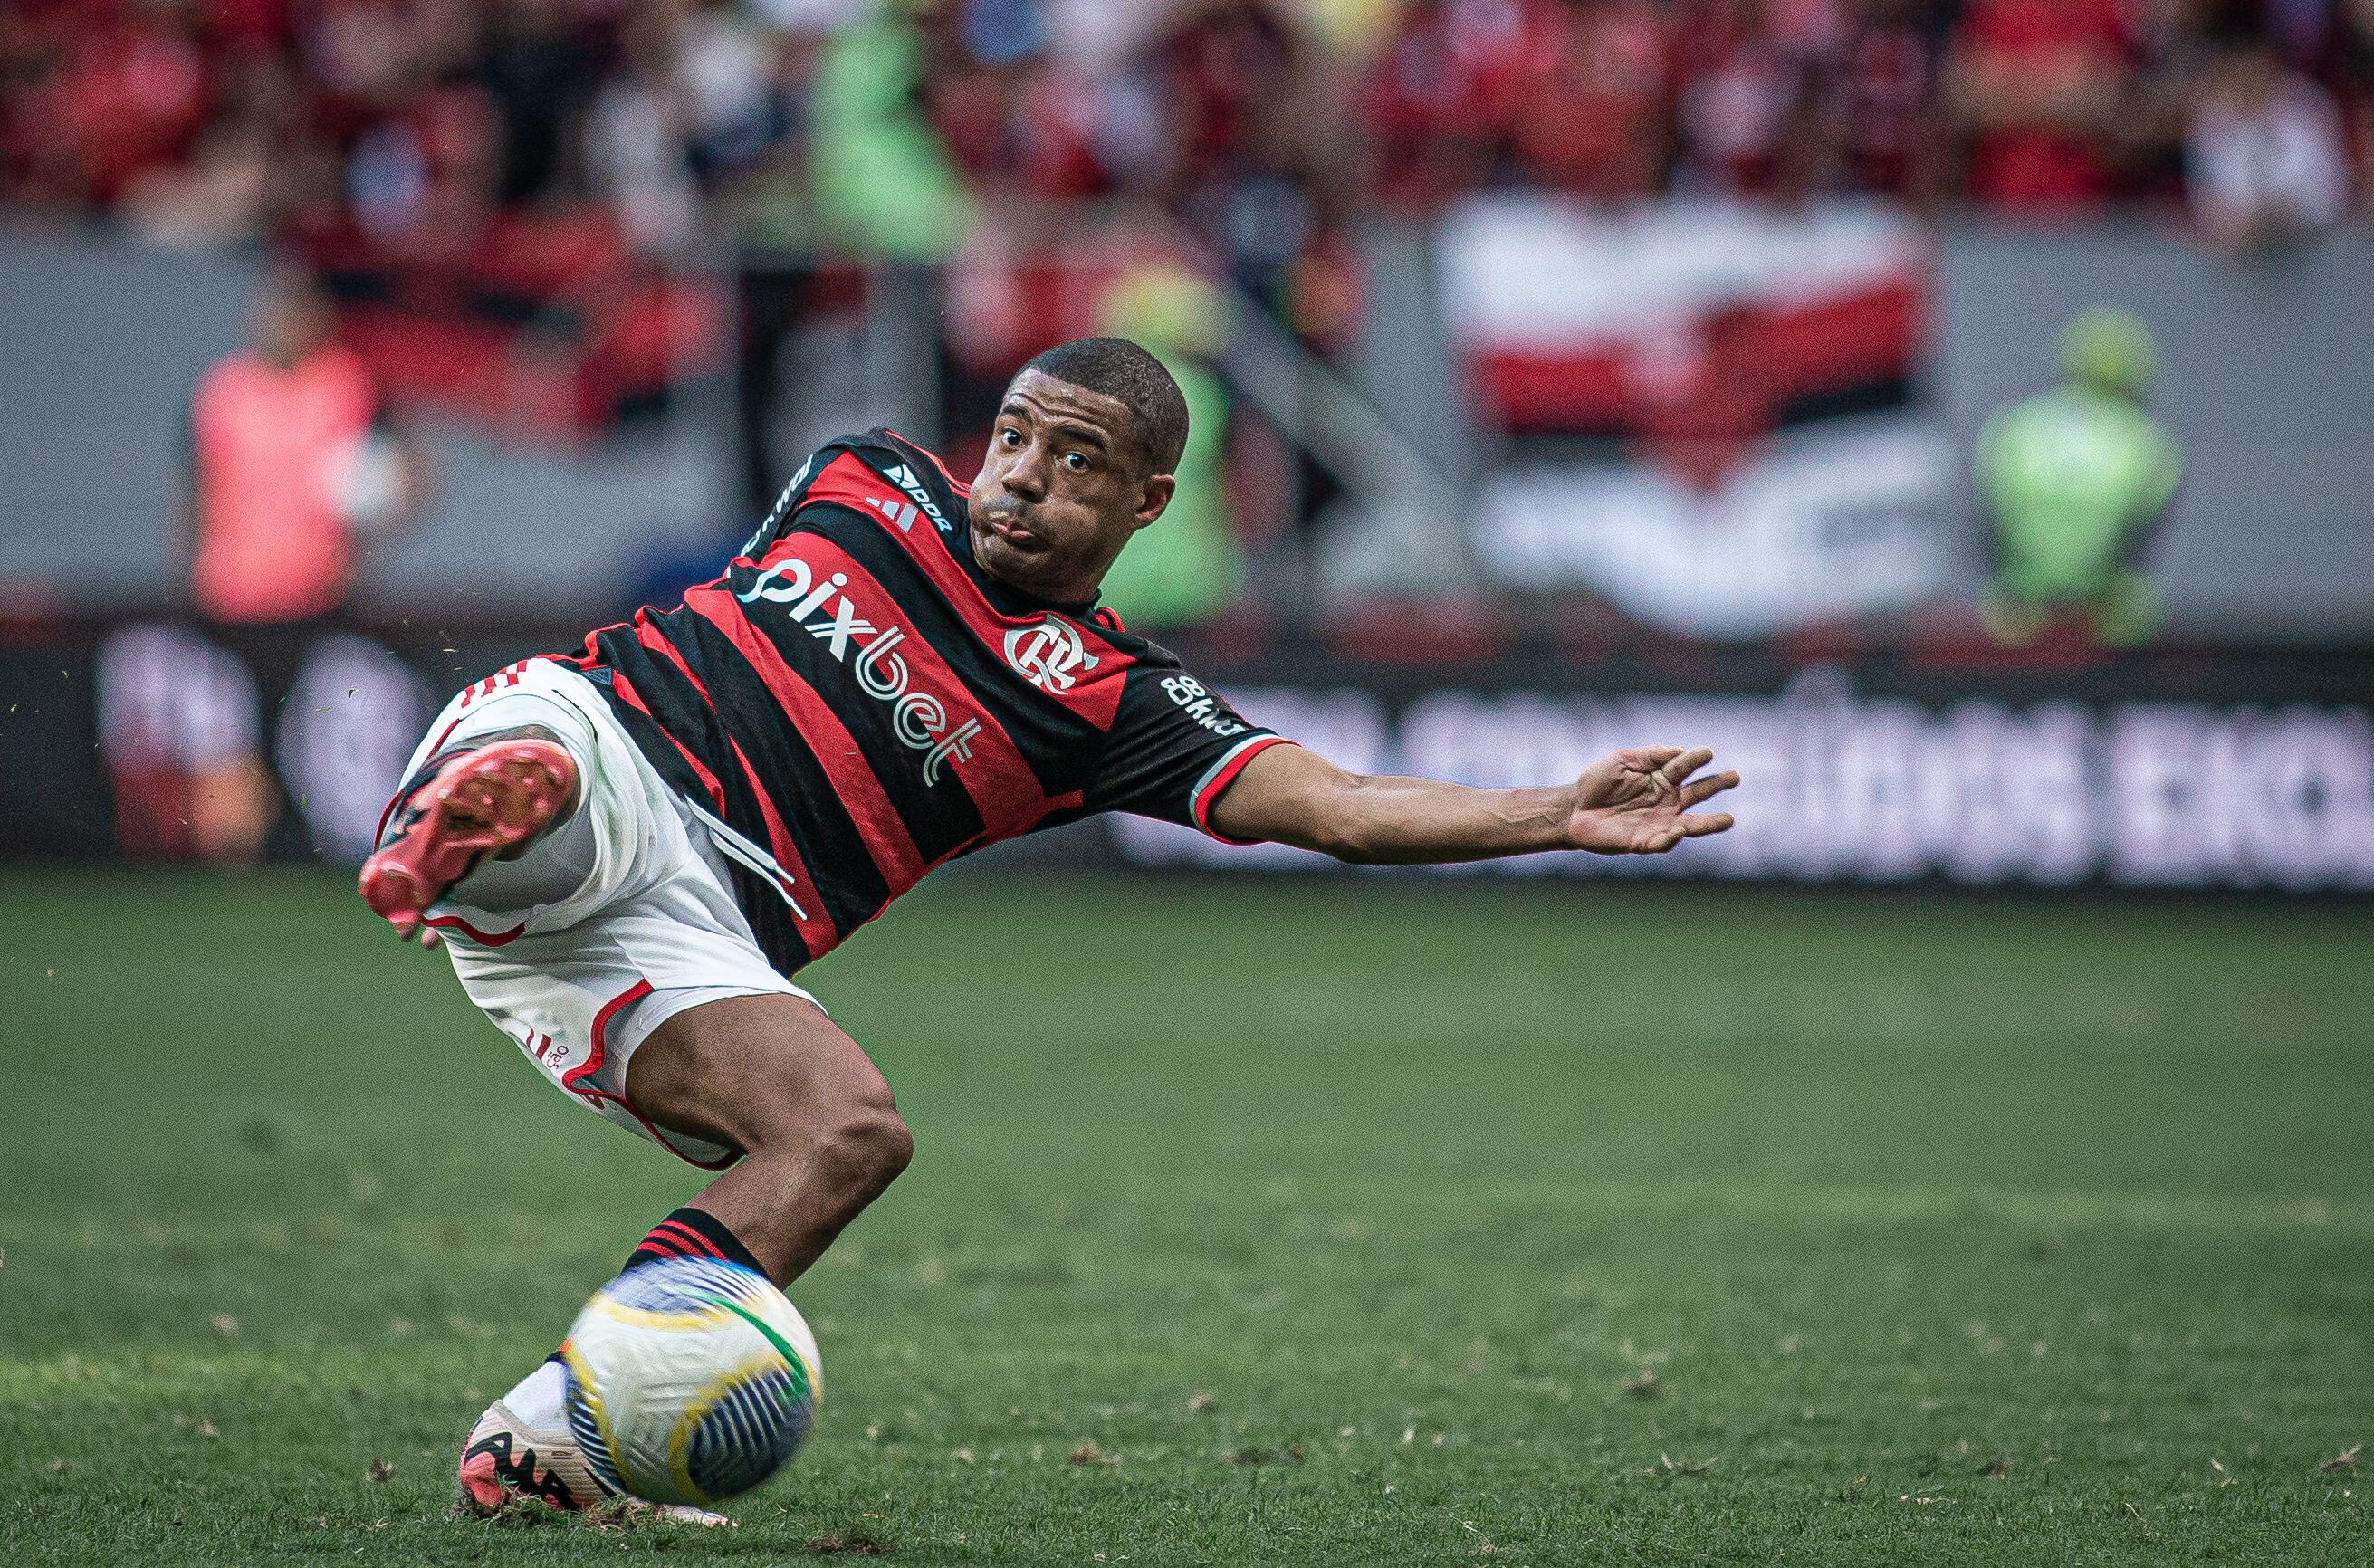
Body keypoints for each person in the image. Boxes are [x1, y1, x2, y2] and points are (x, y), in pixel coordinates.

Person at [358, 337, 1741, 1521]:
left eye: (1075, 460)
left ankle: (553, 1435)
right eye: (1013, 436)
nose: (1021, 472)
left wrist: (1553, 812)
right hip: (599, 734)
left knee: (847, 1133)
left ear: (1149, 502)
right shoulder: (862, 476)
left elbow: (1346, 806)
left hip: (695, 928)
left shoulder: (1115, 707)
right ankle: (469, 825)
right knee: (562, 798)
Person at [1975, 308, 2184, 647]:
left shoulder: (2014, 424)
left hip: (2018, 608)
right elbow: (2146, 529)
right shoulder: (2149, 440)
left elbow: (1991, 513)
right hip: (2108, 611)